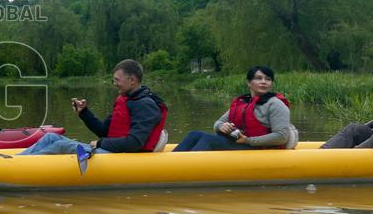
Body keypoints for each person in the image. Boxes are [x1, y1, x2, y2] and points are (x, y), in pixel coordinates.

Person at [20, 59, 167, 156]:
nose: (114, 83)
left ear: (132, 80)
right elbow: (104, 131)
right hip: (111, 151)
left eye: (117, 80)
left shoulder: (145, 105)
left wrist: (100, 143)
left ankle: (18, 168)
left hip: (122, 158)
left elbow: (134, 143)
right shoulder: (125, 99)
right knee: (51, 137)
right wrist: (84, 113)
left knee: (60, 145)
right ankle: (11, 161)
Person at [173, 65, 290, 152]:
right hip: (242, 144)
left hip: (258, 149)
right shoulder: (243, 102)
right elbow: (218, 123)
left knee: (208, 140)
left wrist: (248, 141)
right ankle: (171, 165)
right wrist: (222, 127)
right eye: (258, 78)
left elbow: (281, 137)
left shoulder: (276, 104)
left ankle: (182, 171)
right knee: (194, 134)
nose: (263, 82)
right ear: (249, 83)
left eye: (268, 79)